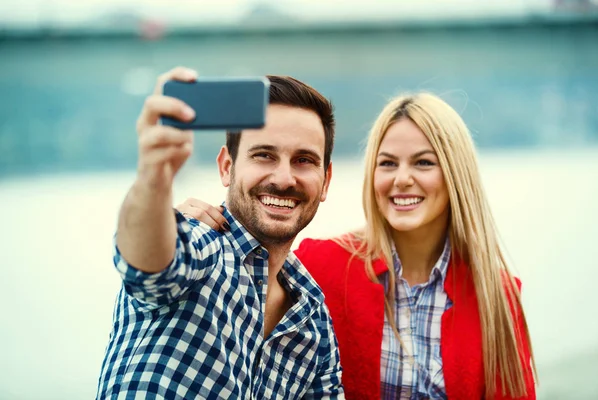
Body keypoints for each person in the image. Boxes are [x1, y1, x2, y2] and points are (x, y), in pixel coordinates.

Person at [179, 92, 537, 399]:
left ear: (456, 175)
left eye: (423, 163)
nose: (402, 179)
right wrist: (178, 229)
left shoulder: (499, 295)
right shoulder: (319, 267)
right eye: (387, 163)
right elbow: (232, 302)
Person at [96, 66, 344, 399]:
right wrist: (154, 177)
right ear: (227, 167)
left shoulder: (313, 318)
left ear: (325, 181)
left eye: (303, 160)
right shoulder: (198, 244)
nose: (284, 178)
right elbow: (146, 265)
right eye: (264, 155)